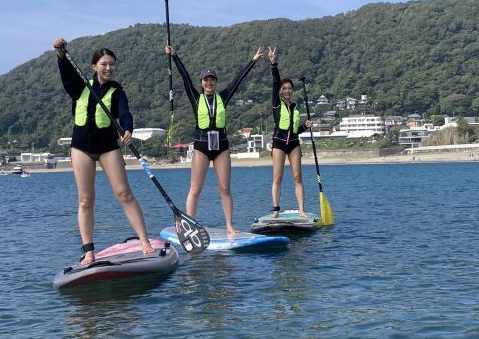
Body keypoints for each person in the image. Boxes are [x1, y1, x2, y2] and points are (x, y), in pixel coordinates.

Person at [53, 37, 154, 264]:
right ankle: (89, 251)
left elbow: (125, 113)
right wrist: (60, 53)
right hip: (81, 148)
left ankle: (144, 241)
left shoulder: (117, 91)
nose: (108, 68)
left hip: (108, 147)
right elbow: (66, 75)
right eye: (104, 64)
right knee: (85, 200)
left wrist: (127, 129)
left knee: (124, 194)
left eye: (112, 64)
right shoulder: (80, 87)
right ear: (94, 67)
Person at [165, 44, 265, 235]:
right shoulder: (195, 98)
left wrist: (253, 60)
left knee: (225, 188)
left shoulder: (224, 97)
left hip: (221, 146)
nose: (209, 82)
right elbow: (185, 78)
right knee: (195, 189)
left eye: (212, 79)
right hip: (202, 146)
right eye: (205, 79)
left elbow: (239, 79)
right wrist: (175, 56)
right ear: (202, 82)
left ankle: (229, 226)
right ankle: (190, 225)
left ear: (215, 82)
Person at [267, 47, 312, 218]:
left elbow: (296, 130)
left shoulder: (295, 107)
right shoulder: (276, 104)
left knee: (297, 177)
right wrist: (273, 63)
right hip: (279, 143)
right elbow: (275, 81)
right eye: (284, 88)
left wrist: (305, 126)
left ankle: (301, 210)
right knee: (277, 177)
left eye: (289, 88)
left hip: (294, 144)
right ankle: (276, 210)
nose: (287, 91)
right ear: (280, 90)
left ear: (292, 90)